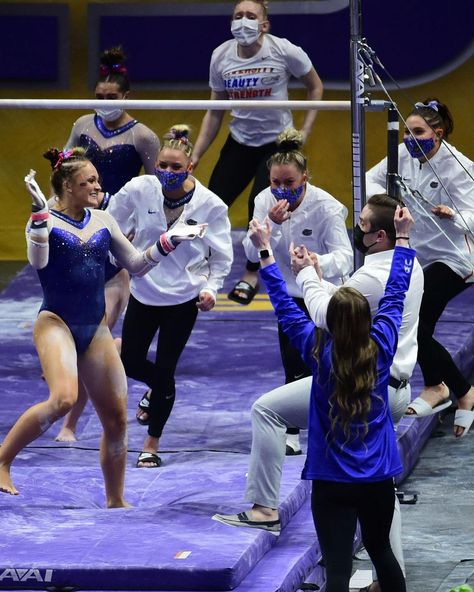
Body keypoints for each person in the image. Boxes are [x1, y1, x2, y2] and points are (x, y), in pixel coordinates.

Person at [213, 194, 423, 590]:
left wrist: (264, 251)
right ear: (367, 321)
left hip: (331, 481)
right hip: (376, 479)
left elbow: (285, 307)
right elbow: (395, 293)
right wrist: (403, 238)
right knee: (382, 554)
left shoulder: (317, 352)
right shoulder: (381, 347)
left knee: (339, 570)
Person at [0, 148, 205, 504]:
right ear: (67, 185)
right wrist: (37, 218)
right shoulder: (45, 219)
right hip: (55, 323)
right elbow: (38, 260)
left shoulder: (103, 220)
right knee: (64, 398)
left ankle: (115, 499)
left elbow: (137, 266)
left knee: (116, 419)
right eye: (88, 181)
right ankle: (2, 461)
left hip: (94, 327)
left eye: (97, 179)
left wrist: (169, 240)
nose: (98, 186)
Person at [107, 124, 233, 468]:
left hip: (183, 299)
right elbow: (110, 222)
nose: (167, 172)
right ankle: (156, 390)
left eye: (176, 167)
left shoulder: (211, 205)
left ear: (190, 167)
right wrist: (120, 247)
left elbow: (221, 259)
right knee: (131, 361)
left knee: (165, 370)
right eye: (163, 164)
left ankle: (152, 442)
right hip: (144, 291)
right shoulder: (138, 188)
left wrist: (210, 290)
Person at [56, 46, 161, 442]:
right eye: (98, 98)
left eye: (110, 99)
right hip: (81, 230)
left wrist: (139, 230)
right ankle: (77, 406)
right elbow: (64, 174)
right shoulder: (83, 123)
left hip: (114, 237)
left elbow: (155, 188)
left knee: (90, 340)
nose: (102, 104)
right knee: (79, 334)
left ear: (126, 98)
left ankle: (71, 423)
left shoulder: (143, 135)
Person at [192, 0, 323, 306]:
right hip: (239, 141)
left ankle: (251, 274)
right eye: (238, 16)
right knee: (212, 202)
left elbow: (315, 87)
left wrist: (303, 133)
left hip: (276, 143)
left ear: (265, 24)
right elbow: (215, 110)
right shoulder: (221, 56)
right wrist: (197, 153)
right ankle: (202, 270)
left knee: (258, 205)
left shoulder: (284, 50)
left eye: (251, 16)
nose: (243, 21)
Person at [366, 98, 474, 438]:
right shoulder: (402, 156)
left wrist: (453, 215)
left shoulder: (458, 166)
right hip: (418, 254)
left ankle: (458, 390)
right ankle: (441, 387)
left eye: (418, 133)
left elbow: (473, 216)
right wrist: (383, 202)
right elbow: (369, 179)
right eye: (407, 133)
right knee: (417, 325)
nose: (410, 139)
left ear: (437, 133)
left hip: (457, 257)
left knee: (412, 325)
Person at [243, 127, 352, 455]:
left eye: (289, 183)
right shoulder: (264, 200)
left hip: (324, 292)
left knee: (328, 363)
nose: (281, 190)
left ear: (305, 177)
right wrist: (270, 226)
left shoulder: (327, 207)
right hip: (288, 293)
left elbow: (346, 257)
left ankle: (337, 422)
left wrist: (315, 262)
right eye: (275, 183)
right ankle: (291, 430)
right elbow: (250, 256)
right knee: (293, 361)